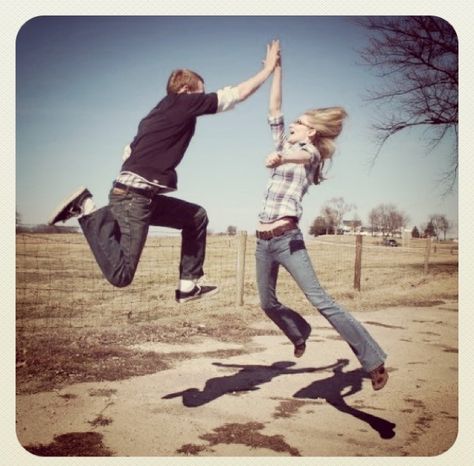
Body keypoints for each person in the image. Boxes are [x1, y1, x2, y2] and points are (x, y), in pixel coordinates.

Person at [49, 40, 281, 303]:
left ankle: (187, 286)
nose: (202, 101)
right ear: (185, 90)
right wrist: (269, 70)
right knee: (121, 275)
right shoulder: (182, 103)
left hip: (137, 195)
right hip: (133, 197)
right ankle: (87, 209)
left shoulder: (155, 115)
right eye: (200, 94)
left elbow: (128, 151)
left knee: (195, 217)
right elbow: (234, 94)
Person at [255, 50, 388, 390]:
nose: (293, 126)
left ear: (311, 132)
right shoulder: (283, 141)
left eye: (299, 123)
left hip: (288, 239)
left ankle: (373, 360)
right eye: (294, 122)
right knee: (267, 303)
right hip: (262, 241)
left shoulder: (308, 155)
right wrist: (276, 70)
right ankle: (300, 333)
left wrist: (282, 155)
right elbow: (274, 109)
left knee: (321, 300)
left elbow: (299, 155)